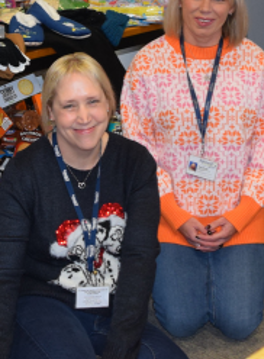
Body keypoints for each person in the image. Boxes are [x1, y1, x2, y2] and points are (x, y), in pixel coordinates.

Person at [121, 0, 264, 340]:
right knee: (179, 322)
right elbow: (139, 152)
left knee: (240, 324)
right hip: (170, 212)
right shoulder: (147, 65)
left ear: (232, 7)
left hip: (237, 211)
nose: (205, 9)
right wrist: (176, 216)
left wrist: (240, 215)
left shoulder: (257, 64)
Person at [0, 53, 187, 359]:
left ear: (110, 103)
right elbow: (4, 270)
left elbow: (140, 258)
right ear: (50, 111)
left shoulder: (135, 162)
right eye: (69, 106)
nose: (84, 117)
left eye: (93, 101)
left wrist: (121, 347)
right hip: (44, 302)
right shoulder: (24, 171)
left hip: (111, 304)